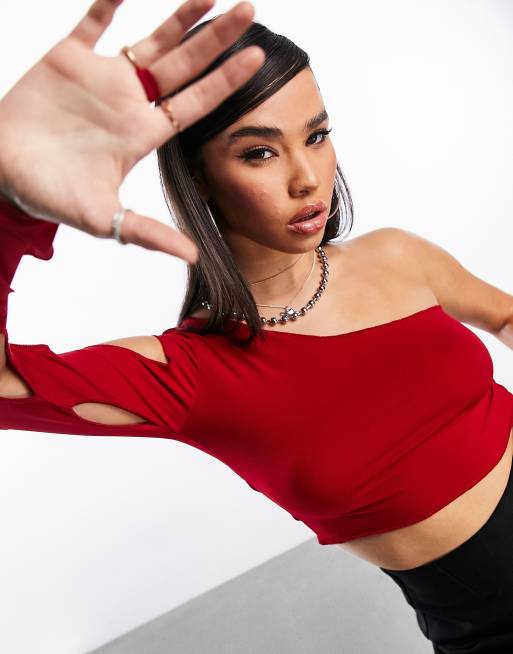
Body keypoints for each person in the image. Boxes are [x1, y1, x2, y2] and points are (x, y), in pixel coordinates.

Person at [1, 0, 513, 651]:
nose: (307, 178)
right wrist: (8, 205)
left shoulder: (394, 255)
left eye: (317, 136)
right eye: (260, 152)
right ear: (198, 176)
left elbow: (503, 312)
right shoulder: (192, 374)